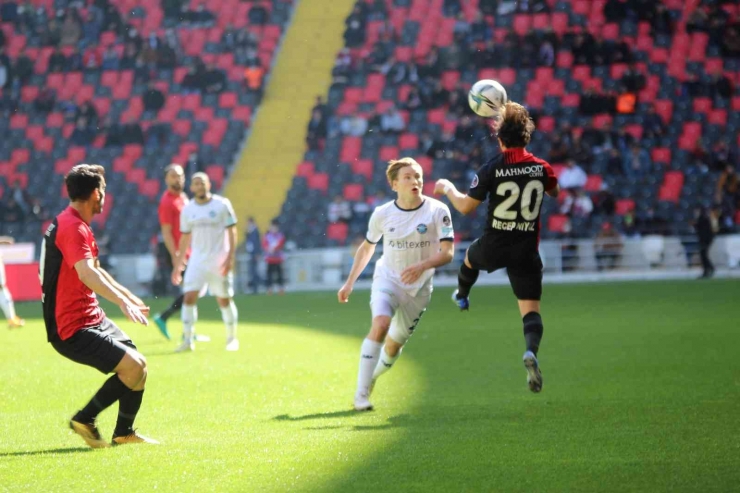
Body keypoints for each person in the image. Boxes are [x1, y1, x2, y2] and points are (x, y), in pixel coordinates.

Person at [434, 102, 560, 394]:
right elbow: (554, 191)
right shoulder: (542, 168)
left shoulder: (491, 167)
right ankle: (531, 352)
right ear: (527, 137)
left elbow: (465, 207)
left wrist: (448, 189)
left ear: (500, 139)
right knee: (530, 310)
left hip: (494, 244)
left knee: (468, 258)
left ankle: (462, 296)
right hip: (526, 249)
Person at [40, 164, 157, 447]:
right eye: (103, 190)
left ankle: (123, 433)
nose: (105, 196)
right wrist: (121, 304)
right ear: (95, 193)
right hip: (71, 326)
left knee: (138, 366)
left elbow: (96, 269)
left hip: (89, 316)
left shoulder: (75, 223)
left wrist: (127, 296)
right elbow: (87, 273)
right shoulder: (72, 227)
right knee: (134, 366)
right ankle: (85, 418)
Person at [338, 158, 455, 411]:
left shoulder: (438, 211)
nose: (415, 181)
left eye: (418, 176)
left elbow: (448, 253)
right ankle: (360, 396)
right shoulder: (382, 213)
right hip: (388, 279)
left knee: (392, 348)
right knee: (380, 324)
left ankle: (373, 378)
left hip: (420, 289)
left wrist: (422, 266)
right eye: (408, 177)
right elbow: (368, 248)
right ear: (394, 184)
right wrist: (349, 283)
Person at [171, 172, 239, 352]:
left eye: (202, 183)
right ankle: (187, 340)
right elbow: (185, 238)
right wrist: (178, 265)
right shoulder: (188, 209)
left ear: (209, 184)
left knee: (224, 299)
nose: (199, 186)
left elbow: (232, 230)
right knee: (189, 297)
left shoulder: (222, 205)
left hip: (219, 259)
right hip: (197, 261)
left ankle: (231, 338)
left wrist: (231, 257)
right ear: (191, 188)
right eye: (196, 184)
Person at [153, 164, 188, 339]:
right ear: (166, 179)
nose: (178, 179)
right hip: (177, 252)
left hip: (188, 251)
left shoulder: (183, 197)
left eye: (180, 175)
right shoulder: (167, 201)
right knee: (191, 291)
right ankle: (164, 318)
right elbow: (166, 232)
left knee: (192, 292)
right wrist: (175, 256)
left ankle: (187, 330)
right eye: (174, 176)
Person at [0, 236, 25, 328]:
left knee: (7, 300)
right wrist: (4, 241)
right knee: (7, 300)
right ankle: (12, 320)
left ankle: (12, 320)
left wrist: (4, 241)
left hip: (1, 285)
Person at [263, 220, 286, 295]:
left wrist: (274, 249)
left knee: (279, 274)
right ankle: (269, 288)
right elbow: (264, 244)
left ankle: (280, 288)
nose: (273, 229)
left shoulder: (280, 235)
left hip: (278, 258)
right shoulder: (267, 236)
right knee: (269, 275)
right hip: (270, 259)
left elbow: (281, 244)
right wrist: (269, 249)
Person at [694, 207, 715, 279]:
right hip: (705, 240)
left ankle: (708, 269)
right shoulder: (704, 219)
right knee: (703, 255)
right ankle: (708, 269)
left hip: (704, 240)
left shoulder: (702, 219)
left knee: (703, 255)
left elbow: (704, 231)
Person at [244, 217, 262, 294]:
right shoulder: (250, 232)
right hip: (251, 253)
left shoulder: (256, 231)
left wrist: (257, 253)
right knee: (252, 271)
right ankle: (254, 287)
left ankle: (256, 287)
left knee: (254, 271)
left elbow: (257, 243)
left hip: (254, 254)